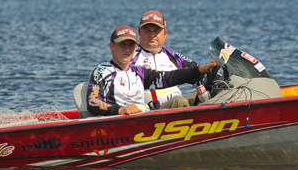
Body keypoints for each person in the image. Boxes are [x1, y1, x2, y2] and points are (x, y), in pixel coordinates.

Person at [88, 25, 218, 116]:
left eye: (131, 45)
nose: (127, 49)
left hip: (147, 117)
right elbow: (93, 101)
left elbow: (170, 77)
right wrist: (120, 110)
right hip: (123, 122)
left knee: (205, 94)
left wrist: (201, 69)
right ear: (112, 46)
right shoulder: (102, 71)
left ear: (135, 47)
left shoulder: (139, 72)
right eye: (122, 44)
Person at [131, 10, 207, 105]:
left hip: (177, 108)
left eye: (156, 31)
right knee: (180, 101)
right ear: (139, 33)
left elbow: (201, 75)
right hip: (147, 112)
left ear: (165, 34)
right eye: (147, 30)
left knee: (208, 92)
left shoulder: (175, 57)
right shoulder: (130, 58)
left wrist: (216, 73)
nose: (152, 35)